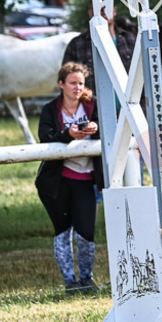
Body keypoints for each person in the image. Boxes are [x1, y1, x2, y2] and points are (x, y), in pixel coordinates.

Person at [36, 62, 103, 291]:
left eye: (81, 83)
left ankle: (87, 278)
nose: (77, 87)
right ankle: (69, 282)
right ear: (61, 84)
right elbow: (45, 138)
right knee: (63, 231)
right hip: (58, 181)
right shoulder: (49, 110)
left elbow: (110, 132)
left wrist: (95, 128)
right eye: (73, 83)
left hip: (86, 179)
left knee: (86, 233)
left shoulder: (93, 107)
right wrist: (69, 134)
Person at [62, 6, 136, 90]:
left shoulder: (131, 40)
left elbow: (143, 75)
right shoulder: (76, 44)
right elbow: (66, 80)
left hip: (129, 102)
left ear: (114, 11)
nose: (104, 12)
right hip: (92, 102)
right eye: (99, 8)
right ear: (90, 13)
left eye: (107, 7)